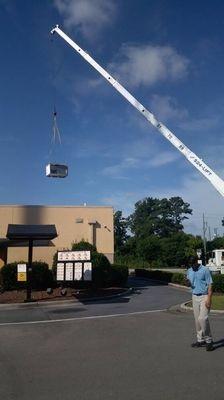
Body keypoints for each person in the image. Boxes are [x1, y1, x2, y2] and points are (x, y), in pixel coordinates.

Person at [187, 256, 213, 351]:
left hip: (204, 296)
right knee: (197, 321)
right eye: (190, 264)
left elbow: (210, 284)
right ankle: (200, 340)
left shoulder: (205, 270)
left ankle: (209, 341)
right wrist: (188, 283)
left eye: (193, 263)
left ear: (196, 262)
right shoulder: (189, 270)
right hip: (194, 296)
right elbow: (190, 284)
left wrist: (209, 299)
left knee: (202, 318)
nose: (192, 266)